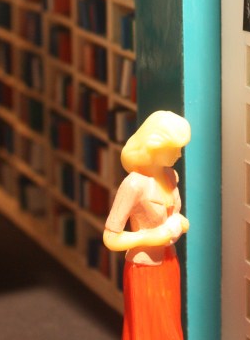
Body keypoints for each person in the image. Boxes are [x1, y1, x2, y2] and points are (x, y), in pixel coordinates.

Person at [103, 111, 191, 340]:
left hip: (169, 261)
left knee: (170, 324)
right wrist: (151, 236)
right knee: (147, 327)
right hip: (143, 267)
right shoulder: (134, 184)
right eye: (174, 149)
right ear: (155, 146)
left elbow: (172, 214)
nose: (179, 154)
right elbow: (111, 238)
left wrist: (179, 223)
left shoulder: (171, 176)